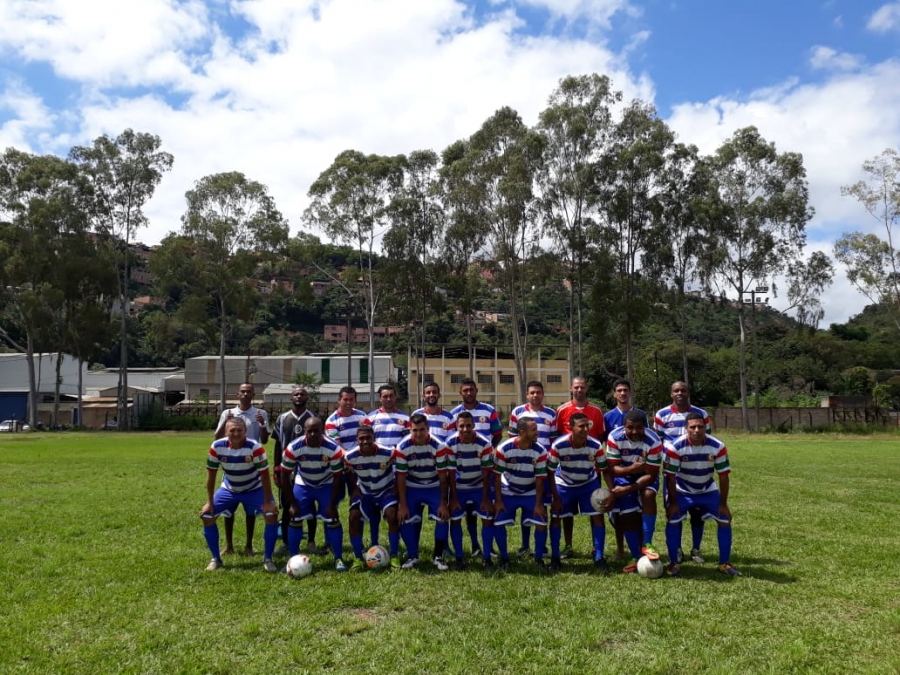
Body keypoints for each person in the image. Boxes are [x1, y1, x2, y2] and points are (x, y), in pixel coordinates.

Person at [663, 413, 740, 577]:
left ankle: (724, 563)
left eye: (700, 427)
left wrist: (723, 504)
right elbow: (670, 477)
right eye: (693, 427)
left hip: (707, 489)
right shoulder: (675, 447)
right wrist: (674, 503)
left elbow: (723, 476)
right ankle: (673, 562)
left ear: (706, 427)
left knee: (725, 519)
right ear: (686, 428)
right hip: (682, 489)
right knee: (673, 519)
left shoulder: (717, 446)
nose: (697, 430)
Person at [200, 417, 279, 572]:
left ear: (245, 432)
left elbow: (264, 475)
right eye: (232, 430)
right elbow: (211, 476)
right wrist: (210, 502)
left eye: (239, 430)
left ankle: (268, 559)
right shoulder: (217, 446)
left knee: (271, 514)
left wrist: (268, 500)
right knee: (207, 516)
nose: (236, 433)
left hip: (254, 489)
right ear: (226, 432)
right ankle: (216, 559)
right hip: (230, 489)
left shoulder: (255, 447)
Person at [548, 412, 613, 573]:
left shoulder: (595, 445)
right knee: (556, 517)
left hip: (588, 483)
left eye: (587, 425)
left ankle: (599, 557)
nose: (585, 429)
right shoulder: (559, 445)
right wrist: (555, 497)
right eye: (581, 426)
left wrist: (611, 492)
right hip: (564, 483)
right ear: (571, 427)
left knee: (598, 515)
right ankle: (555, 558)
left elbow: (605, 470)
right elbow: (549, 472)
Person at [654, 381, 711, 563]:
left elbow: (706, 440)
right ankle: (677, 549)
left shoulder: (701, 414)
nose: (680, 393)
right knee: (673, 511)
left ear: (688, 393)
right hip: (673, 472)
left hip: (696, 470)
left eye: (683, 390)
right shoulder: (662, 415)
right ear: (671, 394)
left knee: (697, 512)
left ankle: (696, 549)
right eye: (676, 391)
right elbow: (658, 442)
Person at [281, 417, 347, 571]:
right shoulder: (294, 447)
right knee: (295, 517)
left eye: (315, 431)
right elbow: (284, 476)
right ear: (304, 432)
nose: (312, 434)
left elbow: (338, 476)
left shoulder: (332, 448)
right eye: (309, 431)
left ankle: (338, 559)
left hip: (326, 483)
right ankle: (292, 559)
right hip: (304, 483)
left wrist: (332, 503)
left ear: (322, 431)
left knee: (333, 517)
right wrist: (292, 503)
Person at [213, 383, 270, 556]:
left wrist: (262, 425)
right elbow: (217, 437)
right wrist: (225, 421)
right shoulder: (228, 413)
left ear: (253, 394)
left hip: (253, 465)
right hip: (232, 463)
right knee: (228, 511)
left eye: (249, 392)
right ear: (237, 394)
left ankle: (248, 545)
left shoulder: (260, 413)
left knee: (250, 511)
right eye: (242, 391)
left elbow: (265, 440)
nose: (245, 394)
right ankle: (229, 545)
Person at [605, 410, 664, 572]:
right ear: (624, 427)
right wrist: (631, 469)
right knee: (627, 510)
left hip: (646, 476)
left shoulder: (654, 441)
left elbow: (651, 475)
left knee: (648, 494)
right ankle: (635, 556)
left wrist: (629, 488)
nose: (634, 432)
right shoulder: (614, 437)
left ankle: (647, 544)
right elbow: (612, 469)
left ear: (645, 427)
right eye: (630, 428)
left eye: (639, 428)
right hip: (624, 474)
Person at [554, 376, 606, 559]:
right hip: (567, 469)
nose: (579, 390)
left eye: (582, 387)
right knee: (565, 513)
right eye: (576, 387)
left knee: (595, 510)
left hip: (589, 468)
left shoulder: (596, 411)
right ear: (571, 389)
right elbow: (557, 436)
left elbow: (600, 436)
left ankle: (597, 549)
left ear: (587, 388)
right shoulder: (562, 411)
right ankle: (567, 546)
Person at [450, 378, 502, 557]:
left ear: (476, 390)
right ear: (460, 392)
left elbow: (497, 434)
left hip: (483, 465)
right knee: (469, 513)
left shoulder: (489, 410)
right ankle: (474, 545)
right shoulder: (454, 413)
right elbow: (453, 438)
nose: (469, 393)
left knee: (487, 509)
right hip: (463, 469)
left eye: (471, 390)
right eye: (465, 390)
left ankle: (490, 548)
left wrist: (486, 449)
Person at [394, 413, 453, 571]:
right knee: (404, 518)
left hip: (433, 484)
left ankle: (438, 556)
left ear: (428, 429)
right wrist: (403, 505)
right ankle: (413, 555)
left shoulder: (438, 445)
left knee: (442, 517)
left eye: (422, 430)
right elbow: (400, 477)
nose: (418, 433)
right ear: (410, 430)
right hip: (412, 485)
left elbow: (443, 476)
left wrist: (443, 503)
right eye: (415, 430)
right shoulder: (402, 447)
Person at [492, 417, 549, 571]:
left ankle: (538, 558)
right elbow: (497, 476)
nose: (537, 433)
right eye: (534, 430)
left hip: (530, 491)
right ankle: (504, 558)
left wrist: (538, 504)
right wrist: (498, 501)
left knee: (542, 520)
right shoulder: (505, 448)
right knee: (498, 521)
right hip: (508, 490)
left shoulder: (540, 450)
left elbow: (539, 480)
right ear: (522, 432)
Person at [509, 381, 558, 559]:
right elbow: (513, 438)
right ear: (527, 395)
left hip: (542, 465)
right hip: (523, 464)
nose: (535, 395)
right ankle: (524, 544)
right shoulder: (517, 412)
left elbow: (553, 441)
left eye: (538, 392)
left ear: (543, 394)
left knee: (541, 505)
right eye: (532, 392)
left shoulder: (551, 414)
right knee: (525, 505)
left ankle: (541, 545)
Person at [343, 424, 402, 571]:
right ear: (357, 440)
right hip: (365, 491)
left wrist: (395, 487)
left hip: (386, 490)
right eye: (361, 438)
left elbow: (401, 466)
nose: (365, 441)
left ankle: (394, 555)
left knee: (392, 515)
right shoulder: (351, 456)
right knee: (353, 517)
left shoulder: (388, 452)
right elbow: (347, 470)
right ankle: (357, 558)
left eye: (368, 438)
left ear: (374, 438)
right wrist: (355, 489)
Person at [444, 410, 494, 569]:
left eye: (468, 426)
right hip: (459, 487)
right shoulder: (450, 443)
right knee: (456, 519)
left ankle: (486, 557)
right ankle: (459, 557)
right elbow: (450, 473)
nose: (465, 429)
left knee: (487, 518)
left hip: (479, 486)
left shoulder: (484, 443)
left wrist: (486, 499)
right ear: (456, 427)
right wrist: (453, 497)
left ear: (474, 426)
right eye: (461, 426)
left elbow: (487, 473)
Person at [271, 385, 318, 554]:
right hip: (287, 469)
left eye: (302, 394)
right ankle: (285, 542)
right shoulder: (282, 418)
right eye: (296, 394)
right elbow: (277, 444)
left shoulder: (312, 417)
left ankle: (311, 542)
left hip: (308, 469)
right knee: (287, 505)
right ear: (291, 398)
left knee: (309, 506)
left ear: (307, 398)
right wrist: (277, 468)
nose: (299, 396)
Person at [366, 384, 410, 449]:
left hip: (397, 456)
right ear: (380, 399)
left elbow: (408, 439)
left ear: (395, 397)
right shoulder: (370, 418)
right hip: (378, 456)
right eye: (385, 396)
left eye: (391, 396)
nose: (388, 399)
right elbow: (367, 439)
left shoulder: (406, 418)